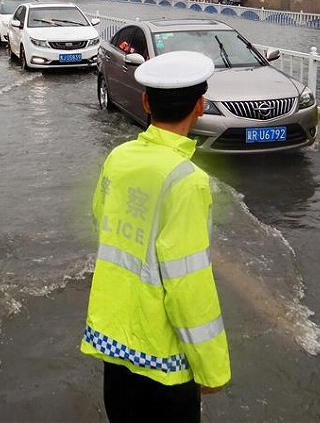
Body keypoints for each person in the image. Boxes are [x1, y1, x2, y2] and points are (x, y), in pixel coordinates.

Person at [81, 50, 231, 422]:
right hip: (163, 360)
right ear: (200, 106)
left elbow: (102, 219)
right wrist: (212, 368)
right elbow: (188, 285)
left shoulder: (119, 157)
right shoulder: (188, 181)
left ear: (146, 101)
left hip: (114, 343)